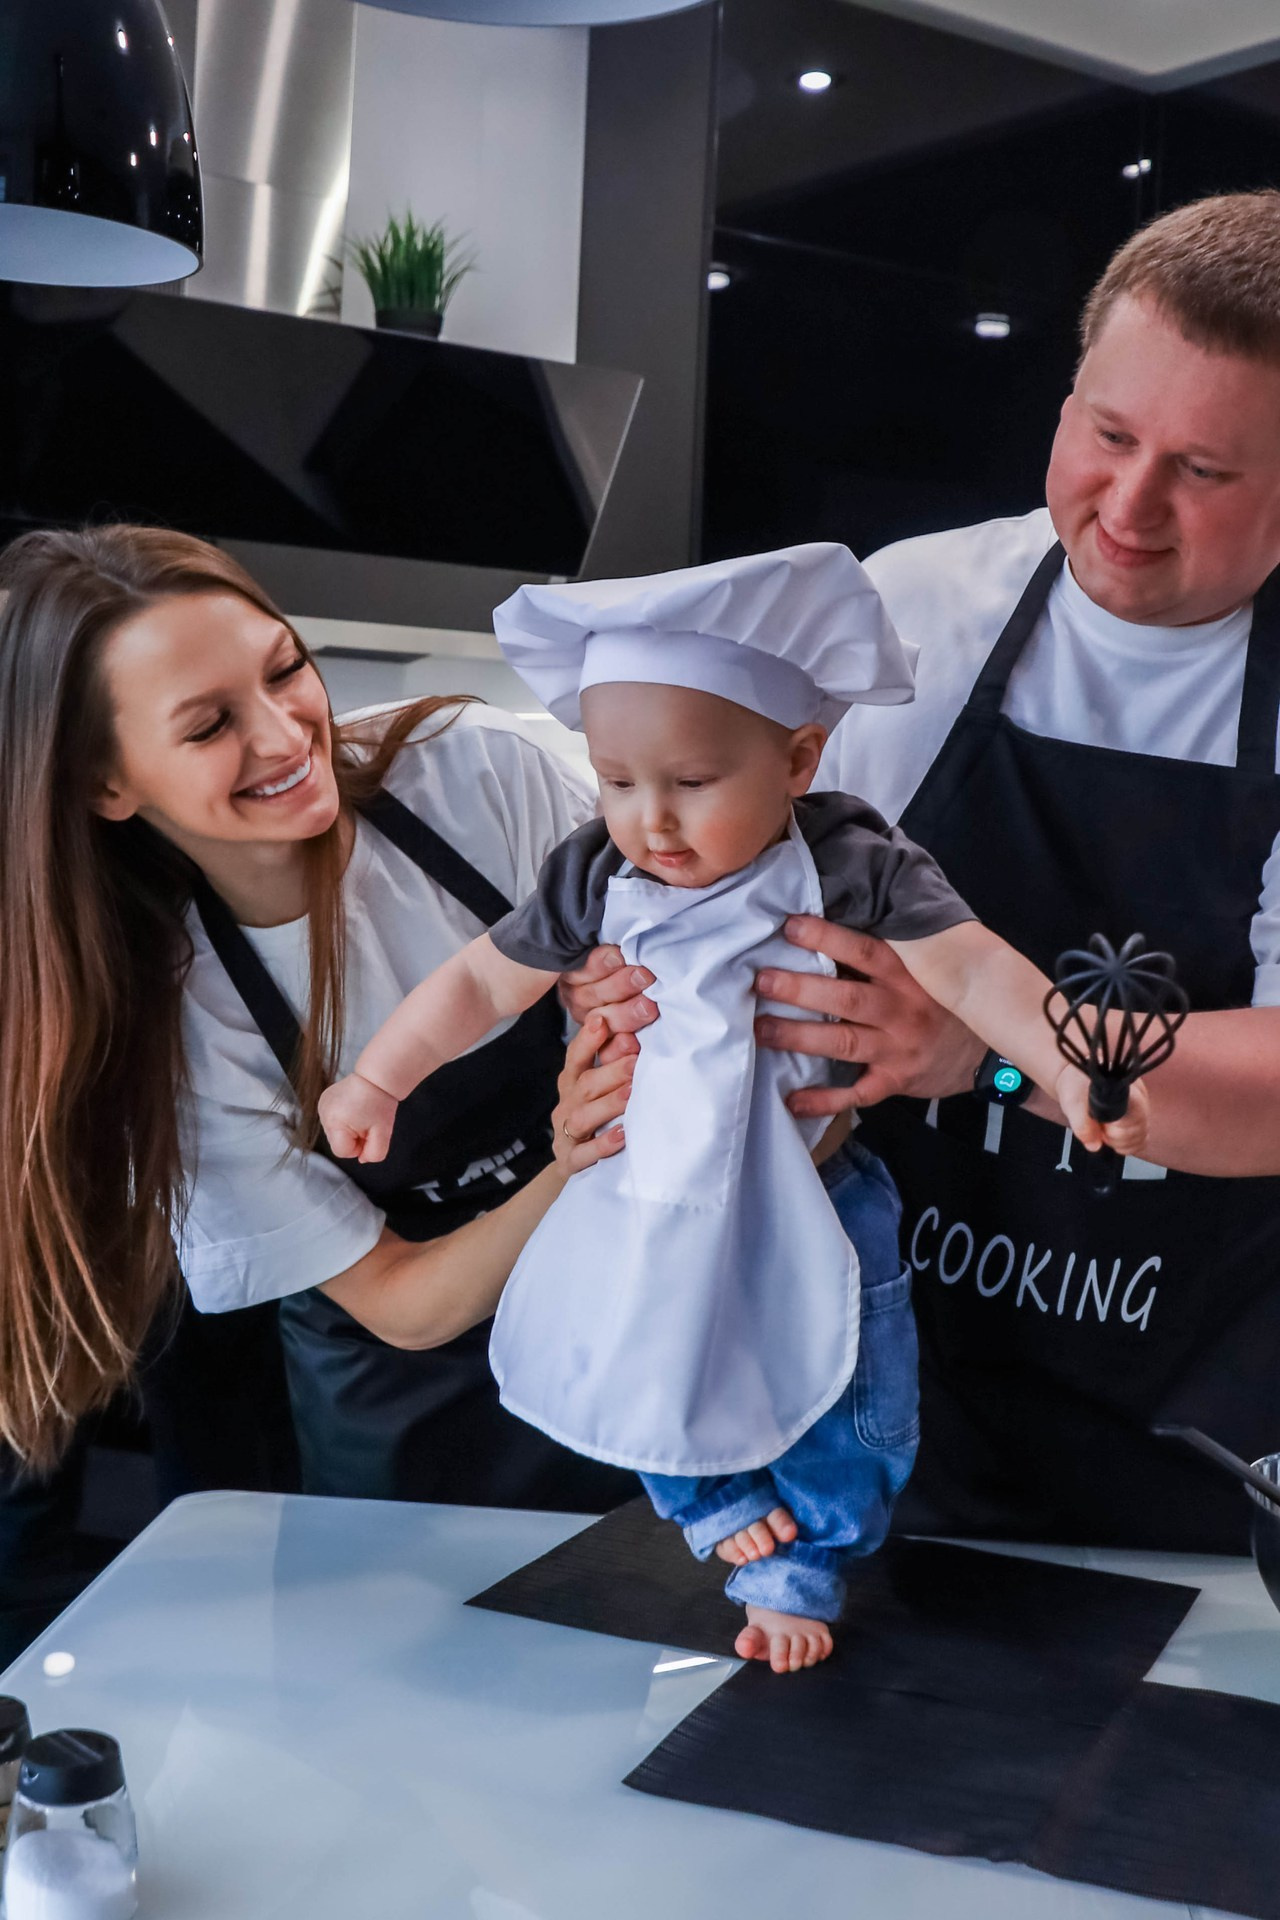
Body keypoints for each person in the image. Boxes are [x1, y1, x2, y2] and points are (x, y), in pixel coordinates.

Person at [573, 191, 1280, 1554]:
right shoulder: (906, 613)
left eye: (1206, 470)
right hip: (874, 1368)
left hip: (1185, 1423)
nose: (1128, 507)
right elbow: (725, 900)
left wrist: (989, 1057)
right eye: (1107, 433)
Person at [319, 545, 1149, 1671]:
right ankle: (706, 1498)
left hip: (819, 1170)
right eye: (616, 781)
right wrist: (378, 1078)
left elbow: (972, 972)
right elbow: (478, 981)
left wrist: (1058, 1068)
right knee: (643, 1341)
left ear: (797, 758)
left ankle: (813, 1550)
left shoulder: (855, 861)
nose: (648, 821)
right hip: (642, 1172)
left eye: (690, 783)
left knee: (860, 1376)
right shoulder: (589, 876)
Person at [0, 524, 637, 1514]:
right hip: (419, 1399)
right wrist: (573, 1158)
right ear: (107, 785)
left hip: (633, 1307)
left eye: (286, 668)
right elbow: (400, 1303)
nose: (286, 735)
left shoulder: (473, 777)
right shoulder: (178, 1021)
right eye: (208, 727)